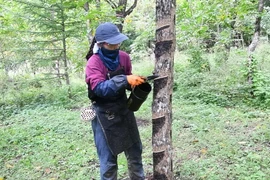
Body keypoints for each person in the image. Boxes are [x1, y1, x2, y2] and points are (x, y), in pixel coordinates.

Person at [85, 22, 146, 180]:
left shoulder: (124, 57)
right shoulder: (94, 63)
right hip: (103, 114)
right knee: (108, 163)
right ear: (103, 44)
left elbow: (126, 82)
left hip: (124, 110)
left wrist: (136, 83)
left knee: (135, 155)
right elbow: (100, 88)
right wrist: (125, 79)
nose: (118, 45)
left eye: (118, 41)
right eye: (114, 43)